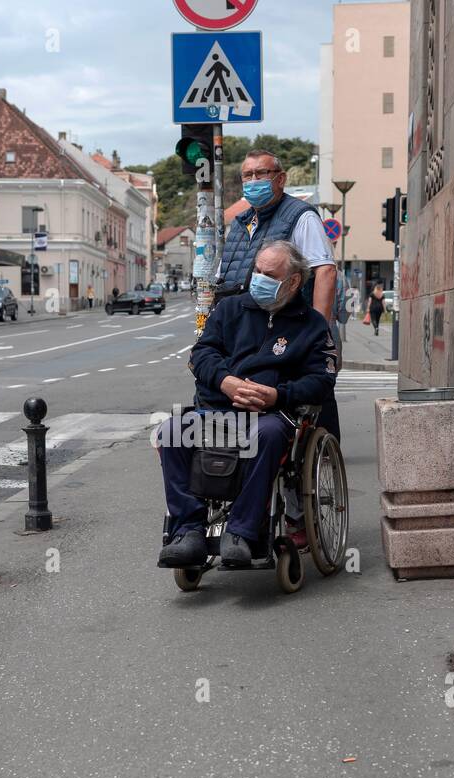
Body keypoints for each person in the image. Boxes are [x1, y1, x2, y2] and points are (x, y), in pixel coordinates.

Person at [157, 241, 336, 568]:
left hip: (271, 415)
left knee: (266, 436)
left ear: (293, 281)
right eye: (256, 271)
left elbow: (322, 380)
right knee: (171, 432)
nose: (259, 279)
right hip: (217, 409)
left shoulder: (311, 326)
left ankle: (241, 531)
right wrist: (226, 381)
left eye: (269, 274)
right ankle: (188, 531)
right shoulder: (229, 310)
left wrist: (278, 395)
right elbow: (202, 355)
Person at [217, 149, 341, 440]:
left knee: (312, 404)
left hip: (292, 326)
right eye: (248, 175)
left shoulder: (300, 217)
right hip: (246, 328)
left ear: (281, 179)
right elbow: (228, 279)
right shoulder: (240, 224)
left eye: (262, 174)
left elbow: (325, 271)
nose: (253, 180)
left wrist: (318, 332)